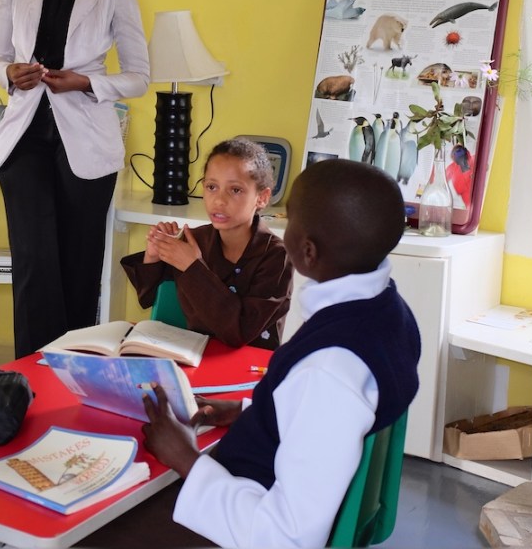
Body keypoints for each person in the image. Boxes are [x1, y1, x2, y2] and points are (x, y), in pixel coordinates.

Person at [138, 158, 421, 548]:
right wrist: (244, 410)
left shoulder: (331, 368)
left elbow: (285, 537)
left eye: (288, 220)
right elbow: (318, 420)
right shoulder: (388, 310)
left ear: (306, 251)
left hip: (245, 519)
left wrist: (185, 458)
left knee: (92, 526)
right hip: (250, 482)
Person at [0, 0, 150, 357]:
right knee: (35, 262)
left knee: (80, 269)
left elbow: (139, 76)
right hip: (24, 137)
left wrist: (87, 82)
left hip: (87, 141)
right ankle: (32, 377)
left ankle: (76, 374)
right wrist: (9, 74)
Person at [121, 138, 293, 349]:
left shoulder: (277, 257)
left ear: (262, 197)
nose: (219, 200)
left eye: (235, 190)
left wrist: (192, 267)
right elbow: (147, 296)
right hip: (193, 356)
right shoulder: (195, 240)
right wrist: (154, 256)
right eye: (212, 187)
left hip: (247, 370)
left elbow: (240, 331)